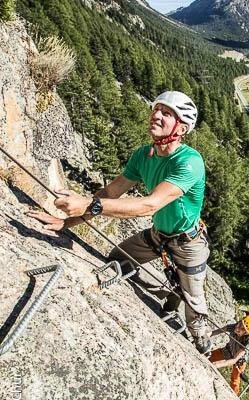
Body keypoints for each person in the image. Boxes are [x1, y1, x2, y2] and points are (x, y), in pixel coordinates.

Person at [27, 91, 212, 354]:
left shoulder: (189, 162)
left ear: (181, 128)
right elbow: (111, 193)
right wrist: (66, 222)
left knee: (195, 303)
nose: (156, 115)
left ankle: (202, 343)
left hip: (188, 243)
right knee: (118, 258)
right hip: (159, 234)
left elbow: (149, 205)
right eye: (156, 109)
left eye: (166, 113)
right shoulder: (143, 155)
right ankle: (163, 293)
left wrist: (88, 205)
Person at [209, 315, 249, 395]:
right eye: (240, 323)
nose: (238, 328)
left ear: (247, 333)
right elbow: (219, 331)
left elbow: (234, 360)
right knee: (208, 357)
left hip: (239, 361)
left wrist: (217, 365)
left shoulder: (248, 342)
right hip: (228, 350)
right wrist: (208, 334)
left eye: (242, 328)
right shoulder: (234, 326)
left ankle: (233, 396)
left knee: (235, 380)